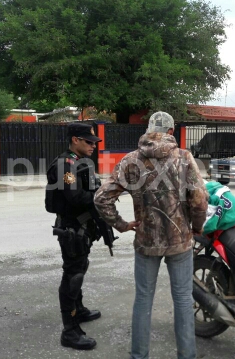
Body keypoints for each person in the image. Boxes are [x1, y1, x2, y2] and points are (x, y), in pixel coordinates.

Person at [94, 111, 208, 359]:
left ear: (148, 130)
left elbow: (102, 198)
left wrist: (122, 225)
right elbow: (199, 200)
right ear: (170, 132)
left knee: (143, 300)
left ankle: (139, 355)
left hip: (146, 241)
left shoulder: (131, 160)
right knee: (182, 299)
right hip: (180, 242)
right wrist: (197, 227)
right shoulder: (185, 158)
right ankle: (186, 355)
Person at [45, 123, 116, 350]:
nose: (93, 146)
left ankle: (80, 309)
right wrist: (101, 194)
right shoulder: (66, 165)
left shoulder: (79, 163)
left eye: (94, 142)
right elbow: (75, 197)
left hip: (81, 228)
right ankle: (70, 330)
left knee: (80, 267)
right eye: (88, 142)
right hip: (71, 228)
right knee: (73, 274)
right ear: (75, 140)